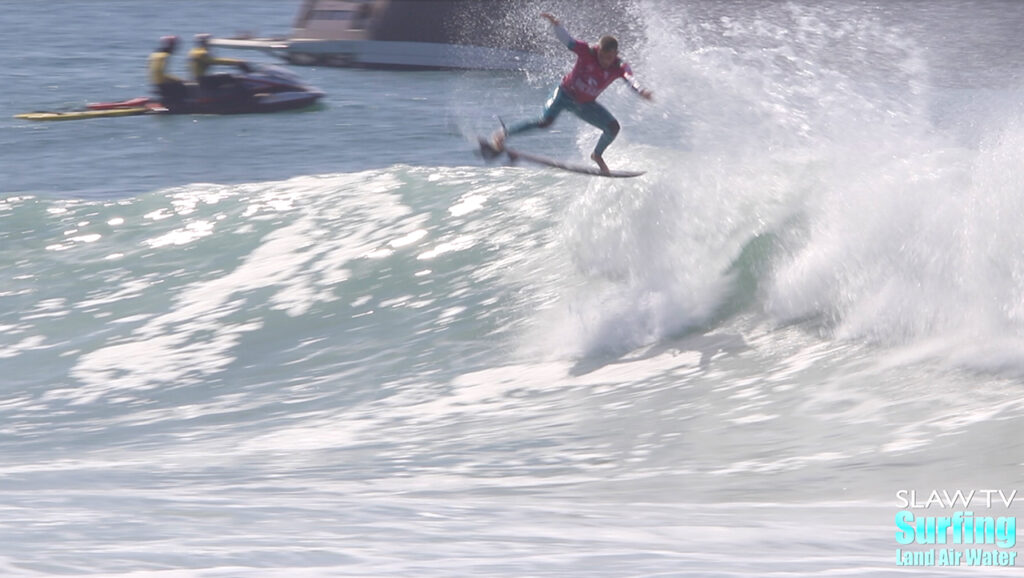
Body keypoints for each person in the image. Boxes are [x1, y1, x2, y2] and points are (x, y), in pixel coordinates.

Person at [492, 13, 653, 174]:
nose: (605, 61)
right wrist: (556, 25)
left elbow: (630, 79)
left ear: (616, 54)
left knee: (613, 127)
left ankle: (597, 155)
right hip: (563, 94)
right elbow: (567, 40)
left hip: (585, 105)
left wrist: (641, 91)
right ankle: (503, 134)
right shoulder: (587, 51)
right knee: (544, 122)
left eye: (609, 57)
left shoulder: (620, 66)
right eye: (602, 56)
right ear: (598, 50)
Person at [149, 35, 187, 109]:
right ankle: (177, 105)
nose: (175, 48)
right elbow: (161, 73)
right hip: (162, 84)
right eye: (174, 46)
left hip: (155, 82)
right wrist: (179, 80)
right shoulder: (164, 56)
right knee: (184, 87)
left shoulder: (155, 54)